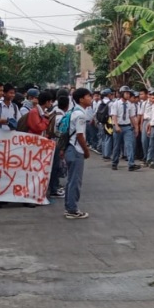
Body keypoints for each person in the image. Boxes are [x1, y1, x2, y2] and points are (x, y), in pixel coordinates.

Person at [64, 88, 92, 219]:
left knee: (71, 180)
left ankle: (69, 207)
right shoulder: (80, 114)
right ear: (81, 99)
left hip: (70, 148)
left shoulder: (73, 111)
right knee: (75, 180)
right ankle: (73, 210)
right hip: (76, 150)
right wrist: (86, 150)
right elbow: (80, 135)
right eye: (88, 96)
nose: (90, 98)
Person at [111, 86, 139, 171]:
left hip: (127, 127)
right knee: (117, 146)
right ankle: (114, 162)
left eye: (128, 93)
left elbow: (132, 117)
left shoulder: (130, 105)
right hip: (118, 126)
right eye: (126, 93)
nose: (128, 95)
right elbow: (114, 116)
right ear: (122, 94)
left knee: (129, 145)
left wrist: (136, 127)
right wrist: (116, 126)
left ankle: (131, 164)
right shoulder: (115, 104)